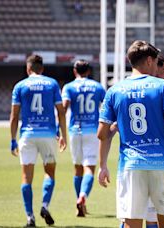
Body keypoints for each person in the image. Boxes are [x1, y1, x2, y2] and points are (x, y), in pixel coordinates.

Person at [97, 40, 164, 228]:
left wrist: (102, 165)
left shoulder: (114, 90)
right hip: (162, 164)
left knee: (131, 222)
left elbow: (102, 133)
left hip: (131, 165)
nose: (156, 66)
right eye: (155, 62)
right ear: (148, 60)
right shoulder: (162, 86)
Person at [10, 54, 67, 227]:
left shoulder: (20, 86)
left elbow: (14, 116)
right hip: (48, 135)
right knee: (49, 172)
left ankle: (30, 217)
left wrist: (13, 139)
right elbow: (61, 111)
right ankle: (44, 205)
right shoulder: (52, 83)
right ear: (42, 69)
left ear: (28, 69)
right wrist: (63, 134)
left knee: (26, 178)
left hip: (27, 135)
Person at [62, 60, 106, 217]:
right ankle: (83, 197)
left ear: (75, 71)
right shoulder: (97, 87)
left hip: (75, 130)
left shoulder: (68, 87)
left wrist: (59, 130)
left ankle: (78, 203)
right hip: (92, 130)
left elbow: (64, 107)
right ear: (88, 71)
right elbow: (107, 105)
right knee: (90, 168)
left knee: (78, 168)